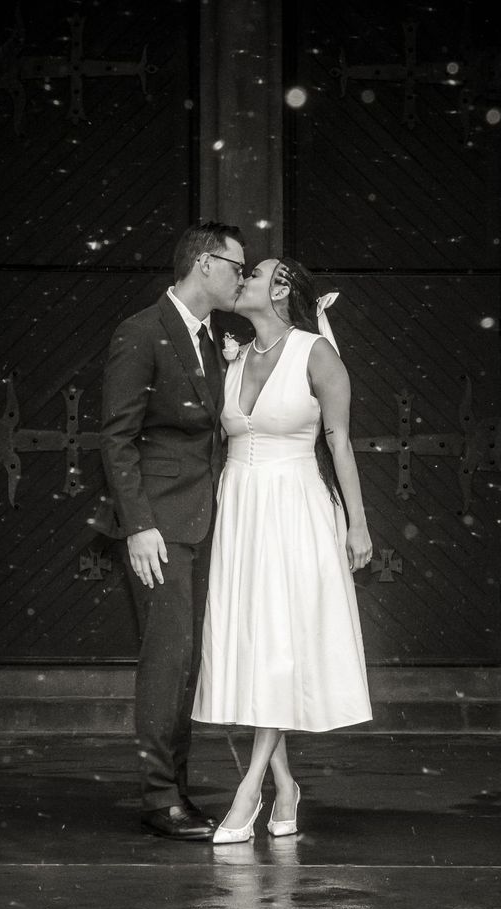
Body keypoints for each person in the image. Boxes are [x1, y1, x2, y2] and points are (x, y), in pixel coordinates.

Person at [191, 256, 374, 844]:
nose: (242, 279)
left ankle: (249, 789)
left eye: (254, 274)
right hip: (241, 510)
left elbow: (340, 443)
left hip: (294, 508)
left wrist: (358, 525)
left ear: (281, 288)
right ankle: (286, 785)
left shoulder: (315, 354)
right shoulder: (236, 356)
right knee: (253, 645)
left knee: (279, 645)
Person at [98, 221, 246, 840]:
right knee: (168, 658)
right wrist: (139, 525)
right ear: (204, 263)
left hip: (209, 522)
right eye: (237, 266)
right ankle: (160, 797)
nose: (242, 278)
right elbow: (117, 437)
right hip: (160, 525)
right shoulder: (141, 331)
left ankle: (176, 787)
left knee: (189, 661)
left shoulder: (211, 340)